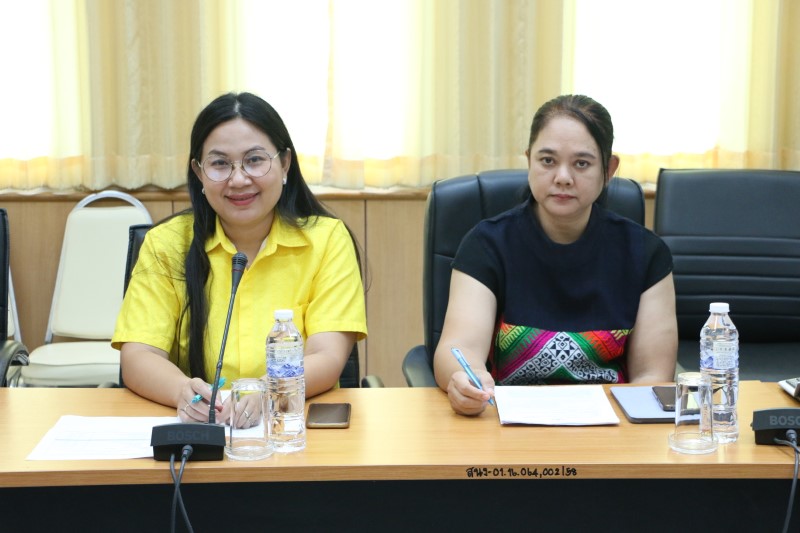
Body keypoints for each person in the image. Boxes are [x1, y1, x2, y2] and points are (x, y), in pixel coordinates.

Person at [112, 92, 367, 425]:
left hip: (292, 428)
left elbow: (327, 355)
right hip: (199, 429)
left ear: (285, 163)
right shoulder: (167, 244)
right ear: (199, 172)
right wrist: (183, 393)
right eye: (220, 164)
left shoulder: (327, 240)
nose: (239, 179)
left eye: (255, 160)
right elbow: (138, 355)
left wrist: (267, 389)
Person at [433, 94, 677, 416]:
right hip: (509, 424)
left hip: (611, 429)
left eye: (581, 163)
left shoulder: (645, 254)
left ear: (608, 169)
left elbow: (652, 377)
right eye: (547, 161)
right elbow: (458, 348)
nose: (563, 177)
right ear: (529, 161)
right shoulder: (486, 244)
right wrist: (465, 379)